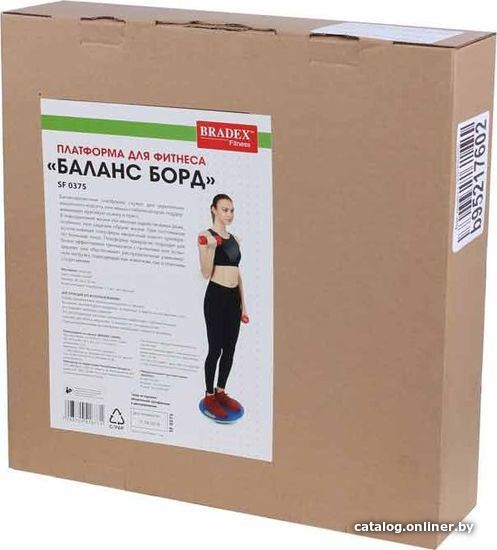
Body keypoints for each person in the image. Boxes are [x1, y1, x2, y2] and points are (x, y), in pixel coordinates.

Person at [198, 194, 248, 419]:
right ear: (214, 210)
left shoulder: (234, 239)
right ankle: (209, 395)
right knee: (215, 349)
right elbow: (205, 273)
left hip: (233, 299)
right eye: (225, 210)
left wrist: (244, 307)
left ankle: (221, 391)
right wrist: (209, 248)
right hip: (216, 297)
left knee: (230, 348)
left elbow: (238, 274)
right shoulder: (206, 236)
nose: (229, 214)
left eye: (231, 210)